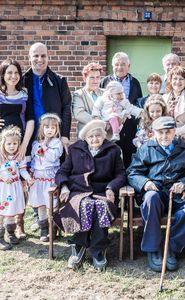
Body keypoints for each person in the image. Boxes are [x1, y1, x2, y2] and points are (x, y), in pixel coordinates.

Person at [127, 116, 185, 272]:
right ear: (154, 132)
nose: (164, 136)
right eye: (160, 132)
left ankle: (172, 248)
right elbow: (132, 173)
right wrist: (145, 183)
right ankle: (153, 249)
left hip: (178, 195)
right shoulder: (146, 148)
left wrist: (184, 183)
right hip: (156, 193)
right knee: (150, 197)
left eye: (168, 132)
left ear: (174, 132)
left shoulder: (184, 149)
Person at [54, 119, 126, 270]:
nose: (95, 139)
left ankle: (98, 250)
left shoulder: (113, 150)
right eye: (91, 136)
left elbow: (121, 175)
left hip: (102, 191)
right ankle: (79, 245)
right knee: (85, 205)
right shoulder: (75, 149)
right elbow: (62, 172)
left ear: (104, 136)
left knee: (99, 206)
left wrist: (111, 188)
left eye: (98, 136)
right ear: (85, 138)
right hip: (78, 192)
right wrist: (65, 187)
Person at [23, 42, 71, 231]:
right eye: (35, 56)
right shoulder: (23, 79)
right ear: (30, 57)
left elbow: (67, 108)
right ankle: (39, 216)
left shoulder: (58, 80)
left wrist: (65, 135)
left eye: (43, 55)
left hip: (53, 134)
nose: (39, 59)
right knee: (33, 173)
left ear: (48, 57)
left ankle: (55, 218)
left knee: (52, 173)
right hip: (30, 135)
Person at [0, 59, 35, 239]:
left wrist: (24, 145)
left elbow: (30, 119)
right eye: (9, 73)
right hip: (2, 147)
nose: (13, 76)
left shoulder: (24, 94)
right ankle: (3, 225)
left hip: (21, 145)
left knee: (21, 184)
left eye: (16, 73)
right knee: (3, 184)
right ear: (3, 75)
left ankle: (19, 224)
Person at [100, 52, 142, 168]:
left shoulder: (135, 82)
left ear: (129, 66)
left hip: (129, 124)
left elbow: (137, 103)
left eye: (123, 64)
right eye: (117, 64)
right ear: (112, 66)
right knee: (110, 151)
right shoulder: (105, 82)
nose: (120, 67)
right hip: (110, 125)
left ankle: (127, 178)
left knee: (128, 151)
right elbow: (101, 102)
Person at [28, 113, 63, 242]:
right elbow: (34, 159)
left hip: (50, 177)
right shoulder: (36, 143)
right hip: (38, 177)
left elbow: (53, 157)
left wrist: (46, 147)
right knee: (41, 203)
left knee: (52, 204)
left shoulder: (56, 143)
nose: (50, 130)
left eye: (53, 128)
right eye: (47, 127)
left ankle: (53, 228)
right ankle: (43, 228)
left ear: (57, 130)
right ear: (41, 128)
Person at [0, 126, 32, 251]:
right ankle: (0, 237)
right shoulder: (1, 158)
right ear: (3, 143)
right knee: (2, 212)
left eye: (15, 143)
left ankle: (11, 233)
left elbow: (23, 171)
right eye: (9, 143)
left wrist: (28, 178)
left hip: (14, 187)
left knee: (11, 212)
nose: (12, 146)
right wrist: (2, 178)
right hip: (3, 189)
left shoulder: (19, 158)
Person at [72, 62, 104, 136]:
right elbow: (79, 114)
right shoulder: (78, 94)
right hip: (85, 136)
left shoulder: (105, 93)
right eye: (92, 77)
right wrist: (102, 123)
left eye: (98, 77)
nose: (95, 81)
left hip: (103, 137)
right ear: (84, 78)